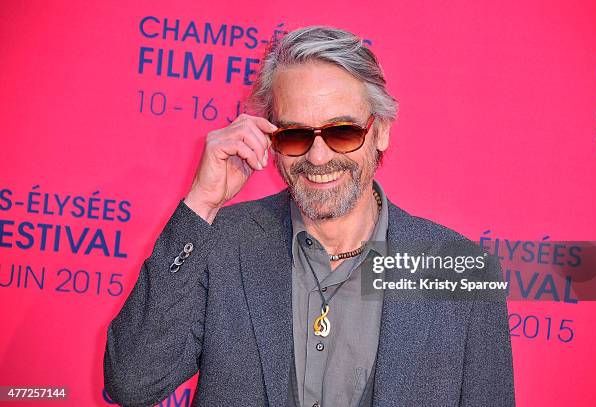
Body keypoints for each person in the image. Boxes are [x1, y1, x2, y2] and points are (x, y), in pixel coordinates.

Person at [103, 25, 515, 407]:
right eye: (295, 134)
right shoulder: (222, 241)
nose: (318, 157)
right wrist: (203, 203)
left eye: (342, 132)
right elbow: (132, 382)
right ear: (270, 136)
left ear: (382, 130)